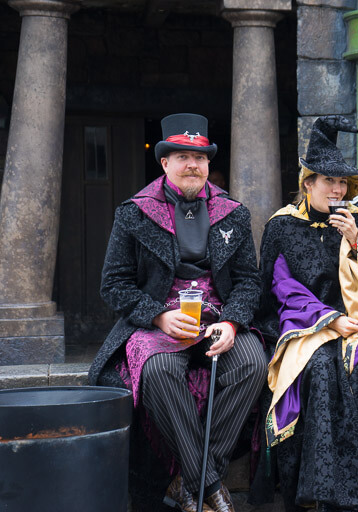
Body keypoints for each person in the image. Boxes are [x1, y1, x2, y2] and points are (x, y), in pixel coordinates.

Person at [88, 113, 267, 512]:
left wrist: (232, 321)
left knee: (253, 364)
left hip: (216, 318)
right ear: (165, 163)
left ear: (208, 164)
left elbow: (249, 282)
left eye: (200, 158)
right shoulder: (134, 213)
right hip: (157, 322)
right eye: (182, 156)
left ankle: (191, 482)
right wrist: (157, 316)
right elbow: (113, 285)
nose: (192, 165)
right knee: (157, 372)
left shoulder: (233, 213)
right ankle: (210, 484)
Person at [254, 116, 358, 511]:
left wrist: (356, 242)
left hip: (357, 322)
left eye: (343, 184)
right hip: (303, 325)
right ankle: (318, 492)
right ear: (308, 184)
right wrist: (327, 321)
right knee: (320, 366)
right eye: (327, 182)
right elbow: (278, 288)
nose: (337, 190)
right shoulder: (282, 226)